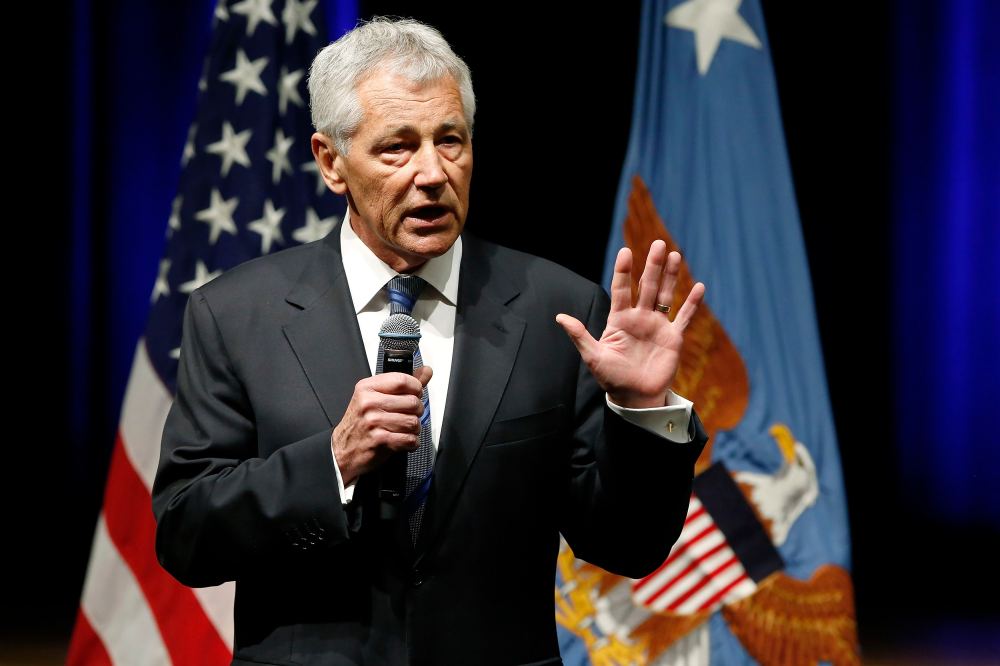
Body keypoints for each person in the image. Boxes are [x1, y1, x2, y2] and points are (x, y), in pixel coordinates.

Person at [153, 18, 708, 666]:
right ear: (332, 162)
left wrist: (642, 412)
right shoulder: (235, 314)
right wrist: (333, 462)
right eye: (397, 147)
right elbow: (187, 534)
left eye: (451, 141)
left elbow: (627, 544)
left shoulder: (559, 310)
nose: (433, 173)